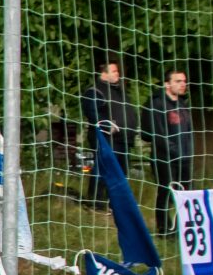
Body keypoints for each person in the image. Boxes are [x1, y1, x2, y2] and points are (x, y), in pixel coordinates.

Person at [142, 69, 194, 236]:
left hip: (184, 157)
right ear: (167, 84)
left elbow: (188, 132)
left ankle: (183, 227)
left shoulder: (182, 105)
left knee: (186, 192)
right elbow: (158, 134)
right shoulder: (156, 104)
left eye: (184, 81)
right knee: (166, 191)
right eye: (178, 81)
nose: (182, 84)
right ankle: (164, 229)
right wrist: (175, 151)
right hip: (164, 157)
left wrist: (188, 151)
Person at [81, 59, 133, 205]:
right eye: (114, 71)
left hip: (123, 139)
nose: (117, 74)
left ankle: (116, 203)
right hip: (105, 138)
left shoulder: (119, 91)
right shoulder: (95, 91)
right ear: (103, 74)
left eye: (118, 71)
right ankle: (95, 201)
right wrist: (107, 126)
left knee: (121, 172)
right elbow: (92, 112)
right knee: (104, 168)